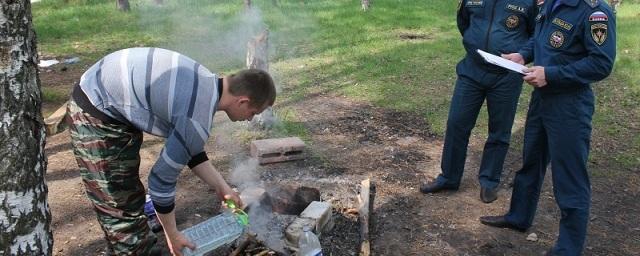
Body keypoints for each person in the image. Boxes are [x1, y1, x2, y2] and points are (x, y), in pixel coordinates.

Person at [67, 47, 276, 256]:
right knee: (119, 209)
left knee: (127, 201)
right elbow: (159, 182)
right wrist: (173, 234)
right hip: (96, 110)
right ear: (242, 101)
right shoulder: (196, 118)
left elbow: (190, 148)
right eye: (253, 113)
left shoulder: (207, 82)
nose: (249, 119)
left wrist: (222, 187)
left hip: (110, 97)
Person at [479, 0, 616, 254]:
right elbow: (541, 38)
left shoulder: (595, 12)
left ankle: (569, 248)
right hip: (541, 100)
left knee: (569, 177)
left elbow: (601, 64)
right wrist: (523, 55)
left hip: (569, 107)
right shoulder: (551, 4)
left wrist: (550, 74)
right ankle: (519, 216)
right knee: (531, 162)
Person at [420, 0, 537, 203]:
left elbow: (538, 35)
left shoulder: (529, 2)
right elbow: (464, 22)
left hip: (506, 76)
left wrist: (523, 54)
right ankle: (449, 177)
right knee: (457, 123)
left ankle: (489, 182)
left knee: (499, 131)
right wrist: (474, 42)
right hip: (472, 70)